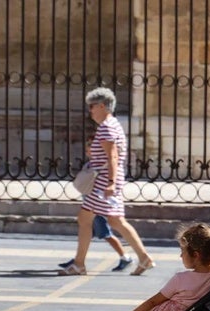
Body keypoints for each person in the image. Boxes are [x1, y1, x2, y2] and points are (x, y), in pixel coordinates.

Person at [58, 87, 154, 276]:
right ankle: (143, 258)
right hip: (108, 180)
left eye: (92, 106)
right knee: (108, 220)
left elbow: (113, 157)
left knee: (98, 219)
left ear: (102, 106)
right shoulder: (113, 125)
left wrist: (110, 182)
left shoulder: (106, 128)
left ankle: (79, 264)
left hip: (103, 182)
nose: (90, 111)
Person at [59, 135, 134, 272]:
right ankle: (78, 259)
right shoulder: (91, 164)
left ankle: (125, 257)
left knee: (105, 234)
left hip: (97, 207)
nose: (88, 153)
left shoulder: (101, 166)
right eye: (88, 150)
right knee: (90, 232)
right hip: (90, 205)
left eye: (91, 150)